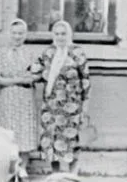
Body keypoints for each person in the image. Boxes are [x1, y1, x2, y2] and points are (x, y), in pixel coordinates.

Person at [29, 20, 91, 173]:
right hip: (50, 105)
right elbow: (34, 70)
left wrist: (85, 107)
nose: (60, 37)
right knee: (51, 139)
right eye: (56, 34)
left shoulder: (77, 52)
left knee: (69, 140)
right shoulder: (48, 52)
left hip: (71, 106)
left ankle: (69, 175)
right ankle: (55, 175)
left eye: (63, 34)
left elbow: (86, 81)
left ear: (69, 34)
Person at [0, 18, 38, 182]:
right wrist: (17, 79)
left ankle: (23, 168)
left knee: (25, 131)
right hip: (8, 96)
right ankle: (10, 170)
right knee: (8, 132)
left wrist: (25, 79)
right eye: (14, 33)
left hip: (25, 96)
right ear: (9, 34)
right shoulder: (0, 53)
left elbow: (35, 76)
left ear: (25, 35)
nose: (17, 37)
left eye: (20, 33)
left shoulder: (31, 53)